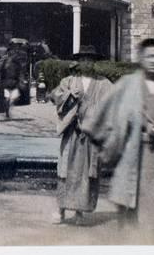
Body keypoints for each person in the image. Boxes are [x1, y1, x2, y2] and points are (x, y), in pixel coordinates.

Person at [82, 38, 154, 241]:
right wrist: (110, 133)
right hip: (132, 155)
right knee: (132, 213)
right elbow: (103, 112)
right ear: (141, 58)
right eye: (149, 56)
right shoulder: (128, 84)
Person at [49, 46, 112, 225]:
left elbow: (112, 104)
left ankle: (79, 211)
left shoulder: (104, 83)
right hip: (71, 132)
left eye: (90, 60)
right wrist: (69, 96)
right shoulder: (69, 81)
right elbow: (55, 96)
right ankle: (60, 210)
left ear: (95, 62)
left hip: (90, 135)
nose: (87, 63)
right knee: (65, 171)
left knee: (86, 173)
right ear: (79, 61)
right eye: (83, 59)